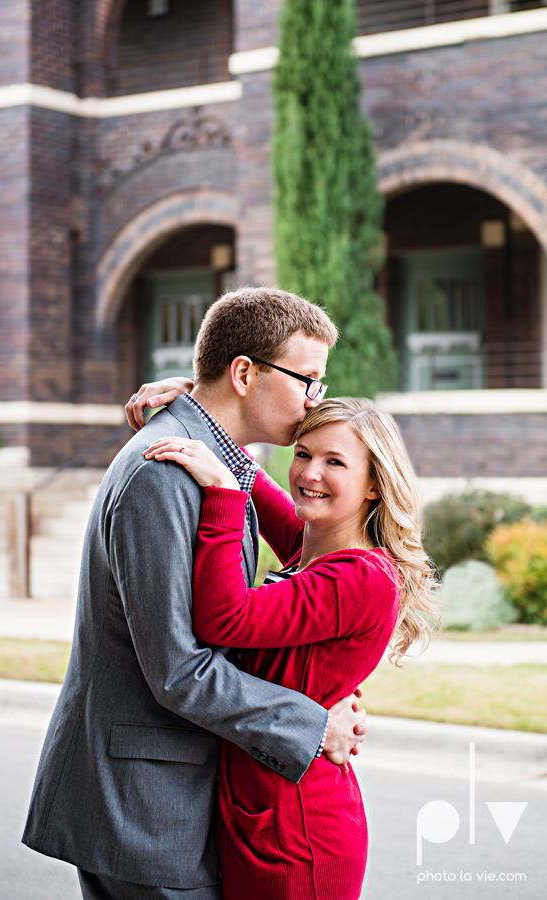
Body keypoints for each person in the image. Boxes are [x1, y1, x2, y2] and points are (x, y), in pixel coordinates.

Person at [22, 288, 369, 900]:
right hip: (143, 806)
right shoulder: (164, 473)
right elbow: (179, 670)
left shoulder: (207, 459)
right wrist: (314, 726)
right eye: (307, 380)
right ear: (244, 373)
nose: (315, 399)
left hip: (159, 796)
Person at [141, 396, 440, 900]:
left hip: (301, 834)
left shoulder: (360, 576)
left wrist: (221, 494)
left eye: (335, 462)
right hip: (264, 811)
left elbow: (224, 617)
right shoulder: (316, 542)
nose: (310, 473)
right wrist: (195, 398)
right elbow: (257, 480)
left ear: (374, 485)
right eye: (303, 453)